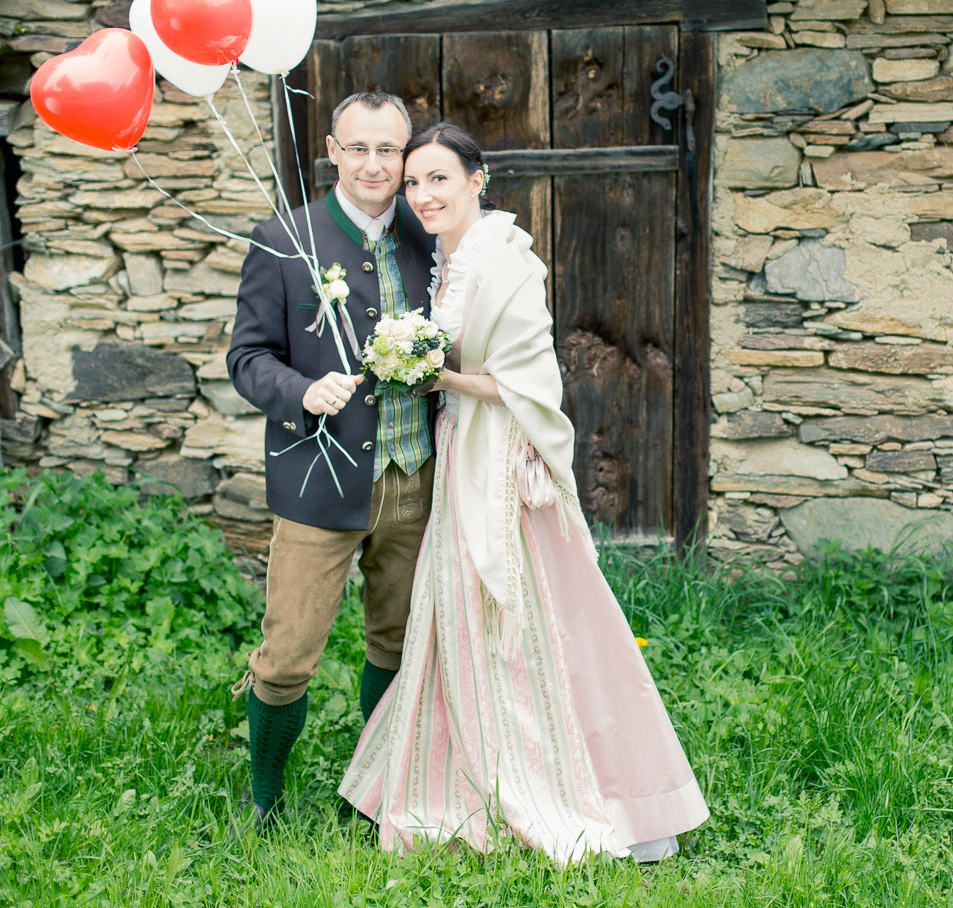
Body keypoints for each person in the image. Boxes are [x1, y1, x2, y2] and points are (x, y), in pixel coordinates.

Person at [336, 122, 708, 863]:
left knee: (513, 608)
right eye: (414, 182)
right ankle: (454, 767)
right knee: (452, 607)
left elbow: (532, 383)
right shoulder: (445, 260)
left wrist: (432, 374)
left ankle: (550, 775)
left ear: (479, 179)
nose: (422, 194)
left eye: (438, 177)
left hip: (498, 456)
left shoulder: (505, 261)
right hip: (459, 447)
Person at [227, 91, 437, 825]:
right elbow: (246, 357)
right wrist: (300, 387)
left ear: (406, 156)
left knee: (399, 641)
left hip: (415, 478)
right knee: (287, 655)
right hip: (318, 478)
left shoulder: (430, 233)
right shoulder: (285, 238)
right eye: (359, 147)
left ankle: (374, 791)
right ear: (331, 149)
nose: (374, 163)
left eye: (389, 149)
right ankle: (265, 797)